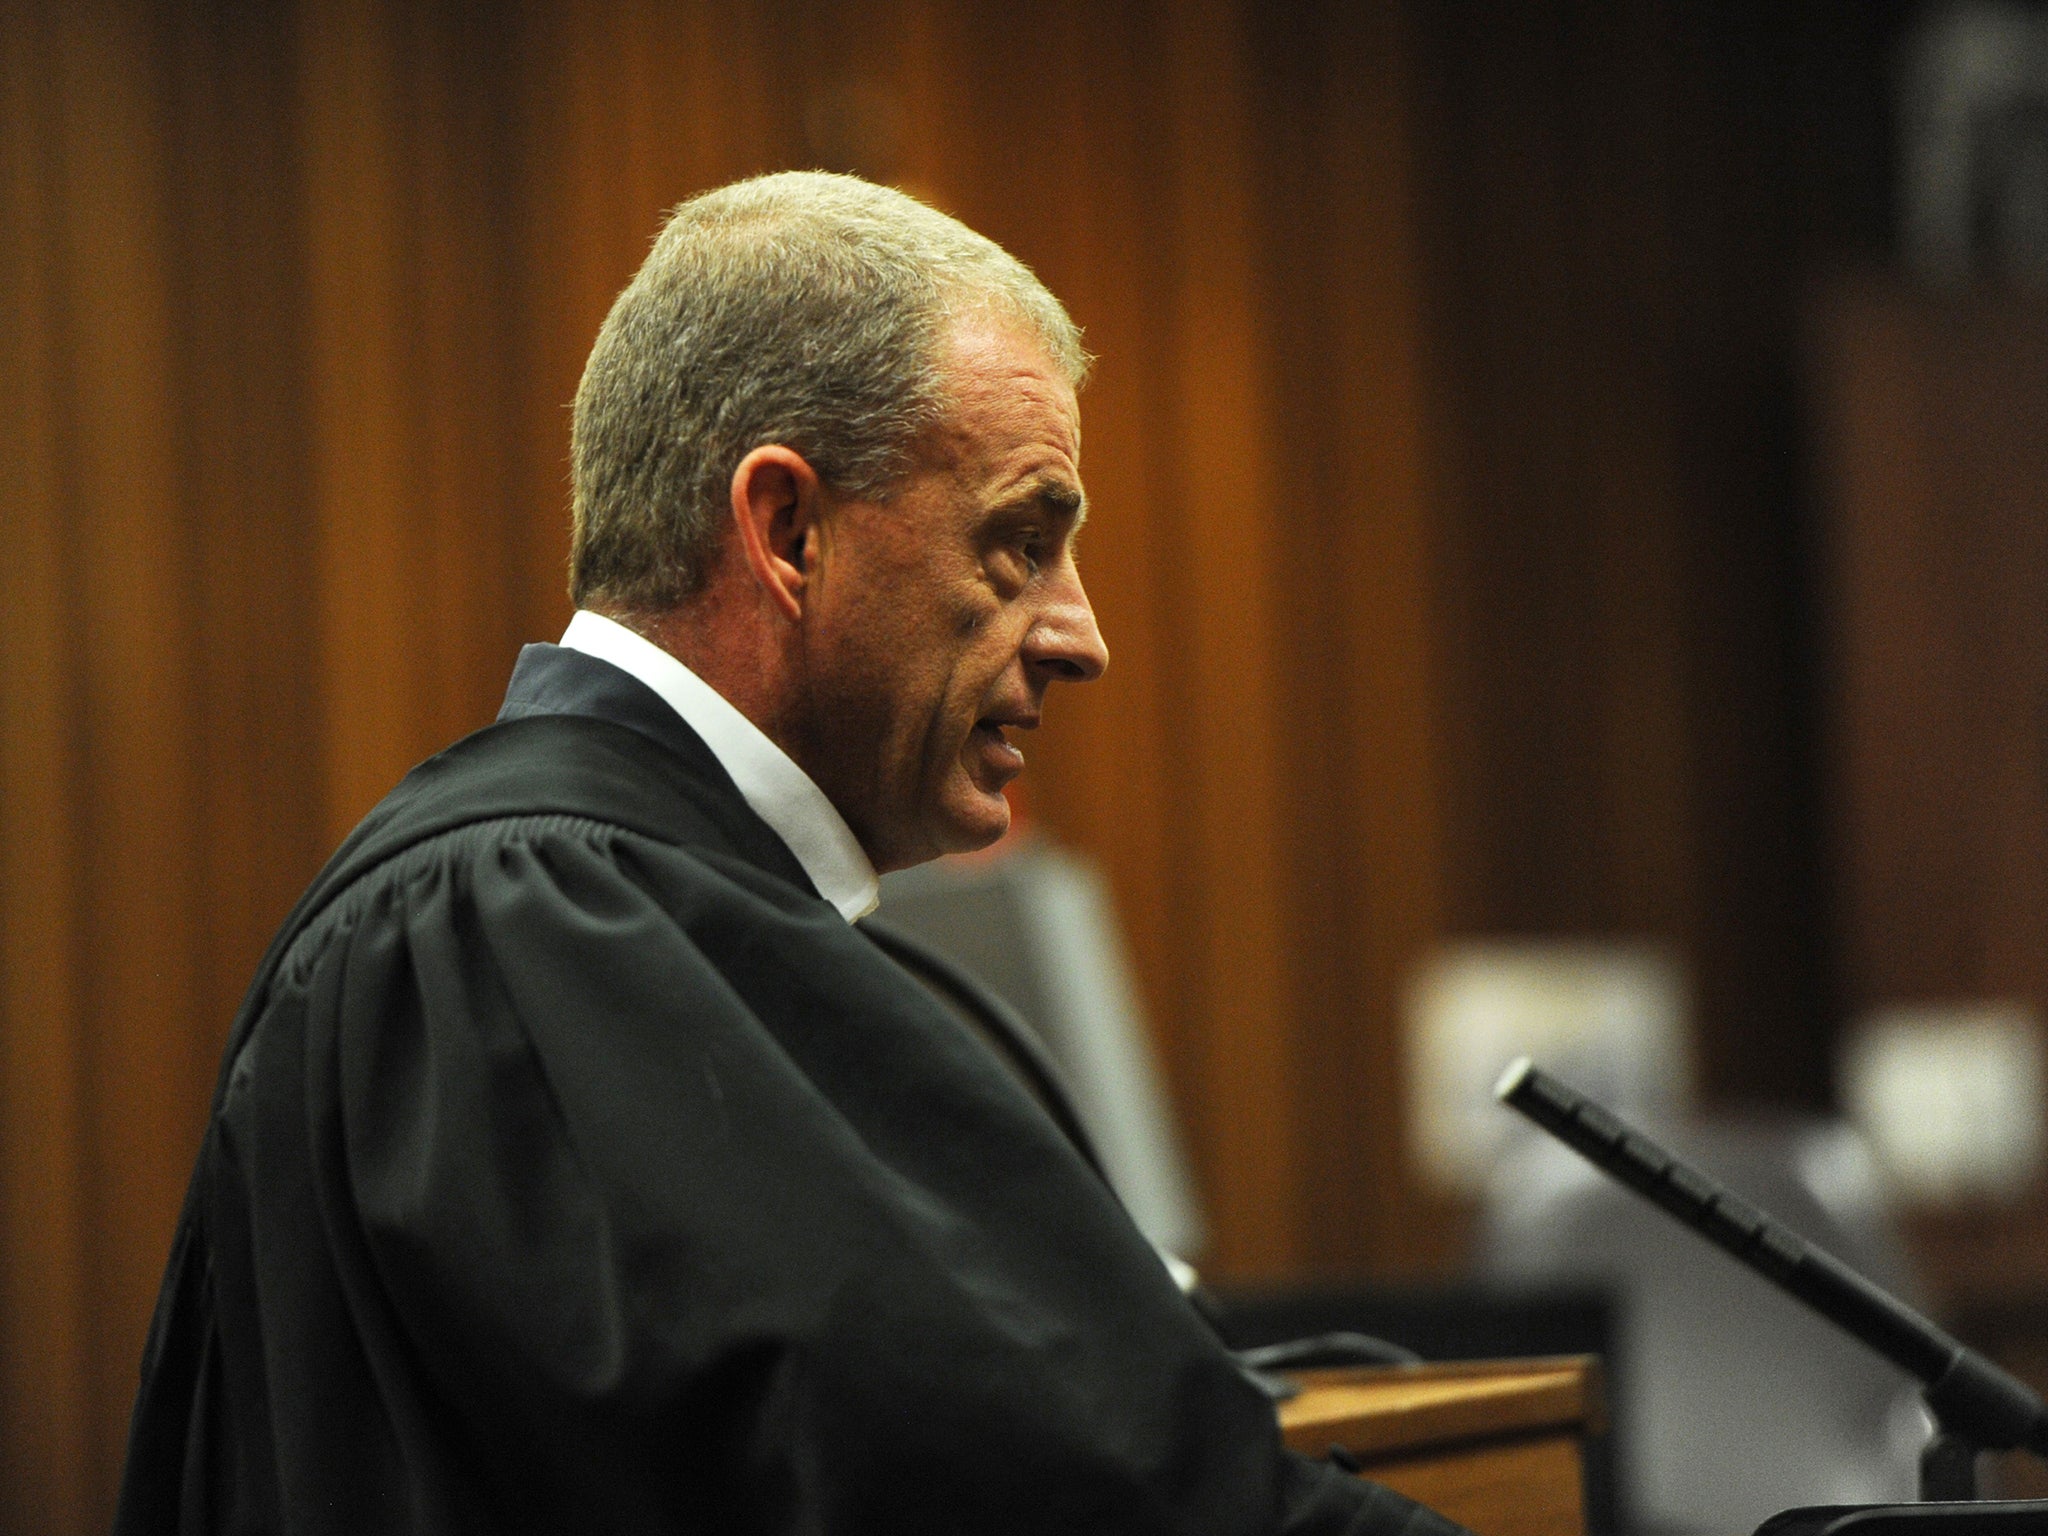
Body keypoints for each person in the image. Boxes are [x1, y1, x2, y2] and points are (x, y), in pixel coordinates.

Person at [114, 172, 1464, 1536]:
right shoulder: (532, 923)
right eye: (1021, 542)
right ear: (787, 533)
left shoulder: (620, 909)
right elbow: (1014, 1485)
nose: (1081, 636)